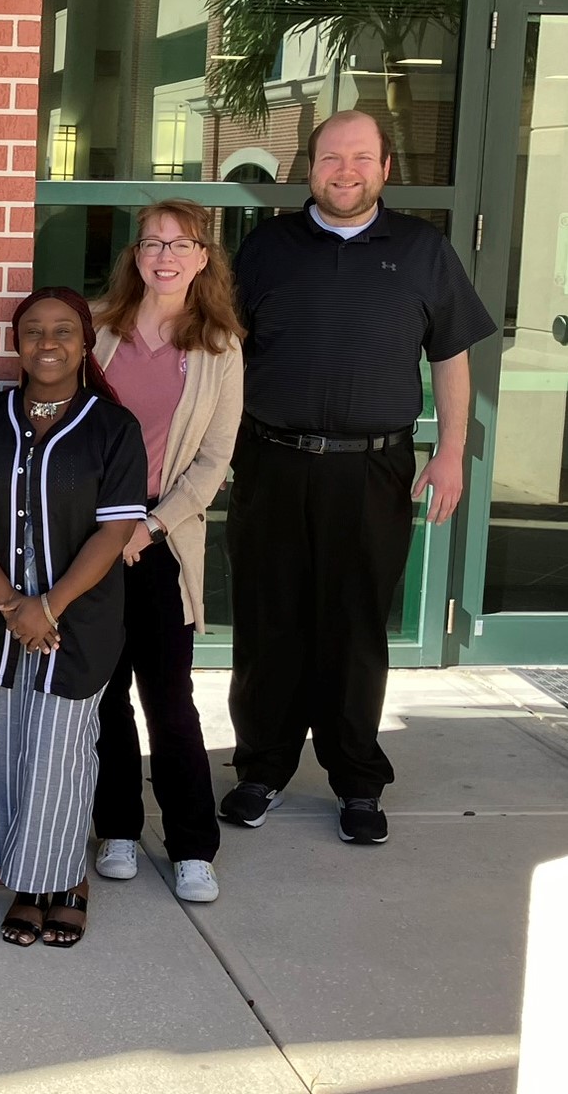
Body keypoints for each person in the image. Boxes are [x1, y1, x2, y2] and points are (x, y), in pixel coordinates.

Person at [224, 110, 495, 845]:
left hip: (372, 466)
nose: (344, 171)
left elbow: (449, 355)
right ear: (308, 167)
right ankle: (261, 769)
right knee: (268, 617)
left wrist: (450, 451)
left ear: (382, 169)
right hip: (270, 457)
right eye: (330, 158)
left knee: (353, 626)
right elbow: (221, 350)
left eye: (360, 158)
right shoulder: (267, 248)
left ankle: (355, 781)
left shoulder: (421, 250)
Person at [0, 287, 146, 949]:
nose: (46, 342)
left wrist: (47, 606)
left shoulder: (110, 427)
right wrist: (12, 605)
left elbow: (115, 530)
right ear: (16, 342)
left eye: (63, 330)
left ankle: (65, 881)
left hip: (77, 622)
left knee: (61, 755)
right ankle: (26, 882)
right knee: (5, 750)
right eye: (32, 330)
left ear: (84, 343)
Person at [88, 200, 243, 904]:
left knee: (168, 700)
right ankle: (117, 827)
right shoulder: (99, 332)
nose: (164, 255)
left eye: (180, 244)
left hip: (160, 542)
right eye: (152, 242)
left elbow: (213, 462)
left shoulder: (218, 347)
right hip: (92, 542)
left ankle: (191, 846)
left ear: (202, 258)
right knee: (103, 697)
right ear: (135, 256)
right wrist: (103, 532)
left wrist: (149, 527)